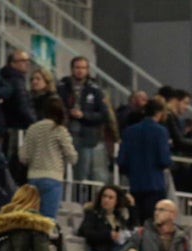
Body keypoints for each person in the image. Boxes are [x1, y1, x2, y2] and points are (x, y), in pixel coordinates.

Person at [18, 97, 76, 220]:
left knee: (32, 218)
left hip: (33, 177)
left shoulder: (32, 128)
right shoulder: (59, 129)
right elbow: (72, 157)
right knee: (48, 220)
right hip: (53, 177)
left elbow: (23, 157)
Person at [116, 99, 172, 222]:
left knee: (137, 222)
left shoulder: (129, 131)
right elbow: (164, 160)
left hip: (135, 185)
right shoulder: (161, 132)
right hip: (155, 185)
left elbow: (122, 161)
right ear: (159, 113)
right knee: (153, 222)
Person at [58, 56, 108, 187]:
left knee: (82, 174)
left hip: (85, 136)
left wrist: (84, 115)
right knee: (60, 172)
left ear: (87, 70)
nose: (80, 71)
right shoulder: (62, 87)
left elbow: (103, 114)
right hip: (64, 133)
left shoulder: (95, 89)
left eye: (83, 68)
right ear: (72, 69)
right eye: (77, 67)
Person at [78, 184, 133, 251]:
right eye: (104, 196)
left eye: (110, 198)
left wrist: (132, 207)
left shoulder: (119, 217)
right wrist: (108, 235)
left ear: (116, 201)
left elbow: (131, 227)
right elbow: (85, 232)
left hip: (118, 248)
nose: (106, 200)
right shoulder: (93, 215)